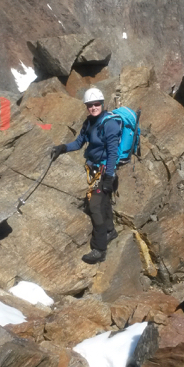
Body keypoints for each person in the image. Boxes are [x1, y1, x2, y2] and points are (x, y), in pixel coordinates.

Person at [51, 88, 119, 264]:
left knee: (95, 206)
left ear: (102, 104)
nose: (93, 107)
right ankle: (110, 231)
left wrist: (109, 177)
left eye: (96, 104)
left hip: (105, 171)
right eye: (90, 105)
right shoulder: (89, 123)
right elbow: (79, 143)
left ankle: (99, 249)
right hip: (95, 169)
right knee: (104, 202)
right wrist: (63, 148)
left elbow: (113, 153)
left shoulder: (110, 124)